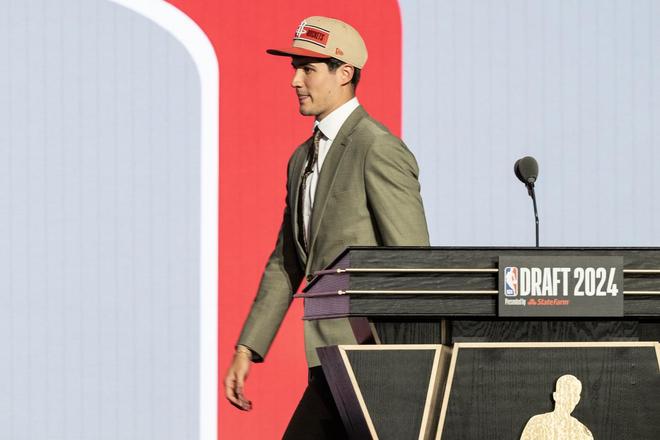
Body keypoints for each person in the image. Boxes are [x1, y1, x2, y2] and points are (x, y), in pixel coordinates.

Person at [223, 16, 429, 438]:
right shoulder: (301, 158)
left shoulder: (377, 147)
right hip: (328, 358)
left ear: (345, 73)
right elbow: (287, 262)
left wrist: (404, 364)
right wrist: (247, 348)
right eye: (295, 68)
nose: (295, 80)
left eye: (308, 69)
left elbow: (411, 262)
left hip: (370, 360)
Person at [521, 374, 594, 440]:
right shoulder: (537, 423)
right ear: (555, 396)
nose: (569, 400)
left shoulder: (582, 433)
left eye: (573, 396)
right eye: (565, 394)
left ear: (577, 400)